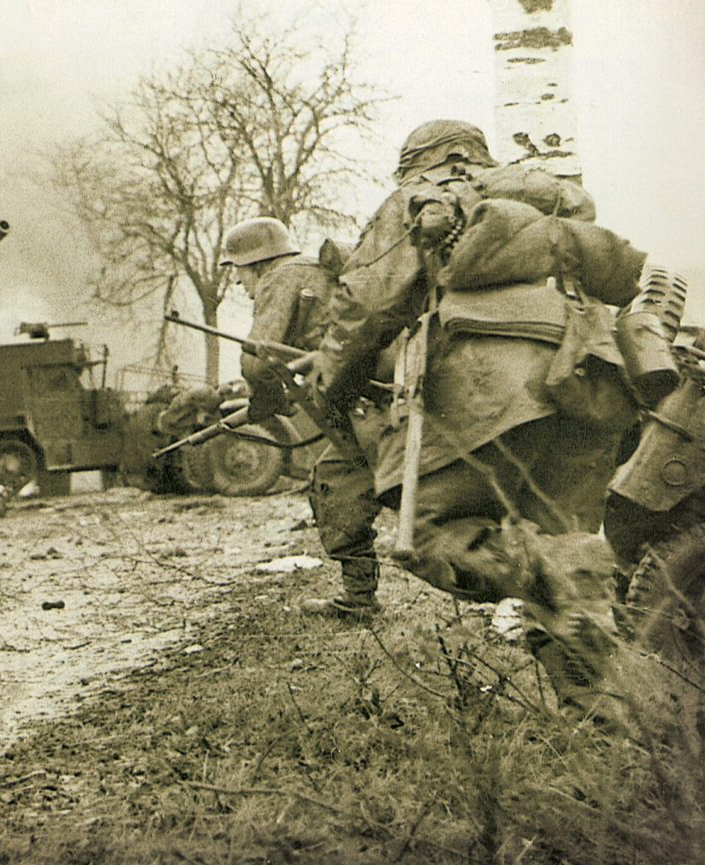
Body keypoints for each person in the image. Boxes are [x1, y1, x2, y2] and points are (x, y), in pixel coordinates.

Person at [310, 119, 655, 716]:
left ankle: (552, 575)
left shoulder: (421, 199)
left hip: (486, 394)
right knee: (567, 546)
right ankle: (605, 720)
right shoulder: (550, 200)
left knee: (427, 536)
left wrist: (328, 385)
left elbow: (365, 303)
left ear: (423, 163)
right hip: (586, 387)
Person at [225, 217, 387, 618]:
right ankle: (359, 600)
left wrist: (265, 404)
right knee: (339, 479)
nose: (240, 287)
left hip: (368, 400)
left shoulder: (278, 279)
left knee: (337, 482)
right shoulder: (317, 273)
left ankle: (360, 600)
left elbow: (256, 360)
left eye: (238, 273)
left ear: (256, 264)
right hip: (373, 393)